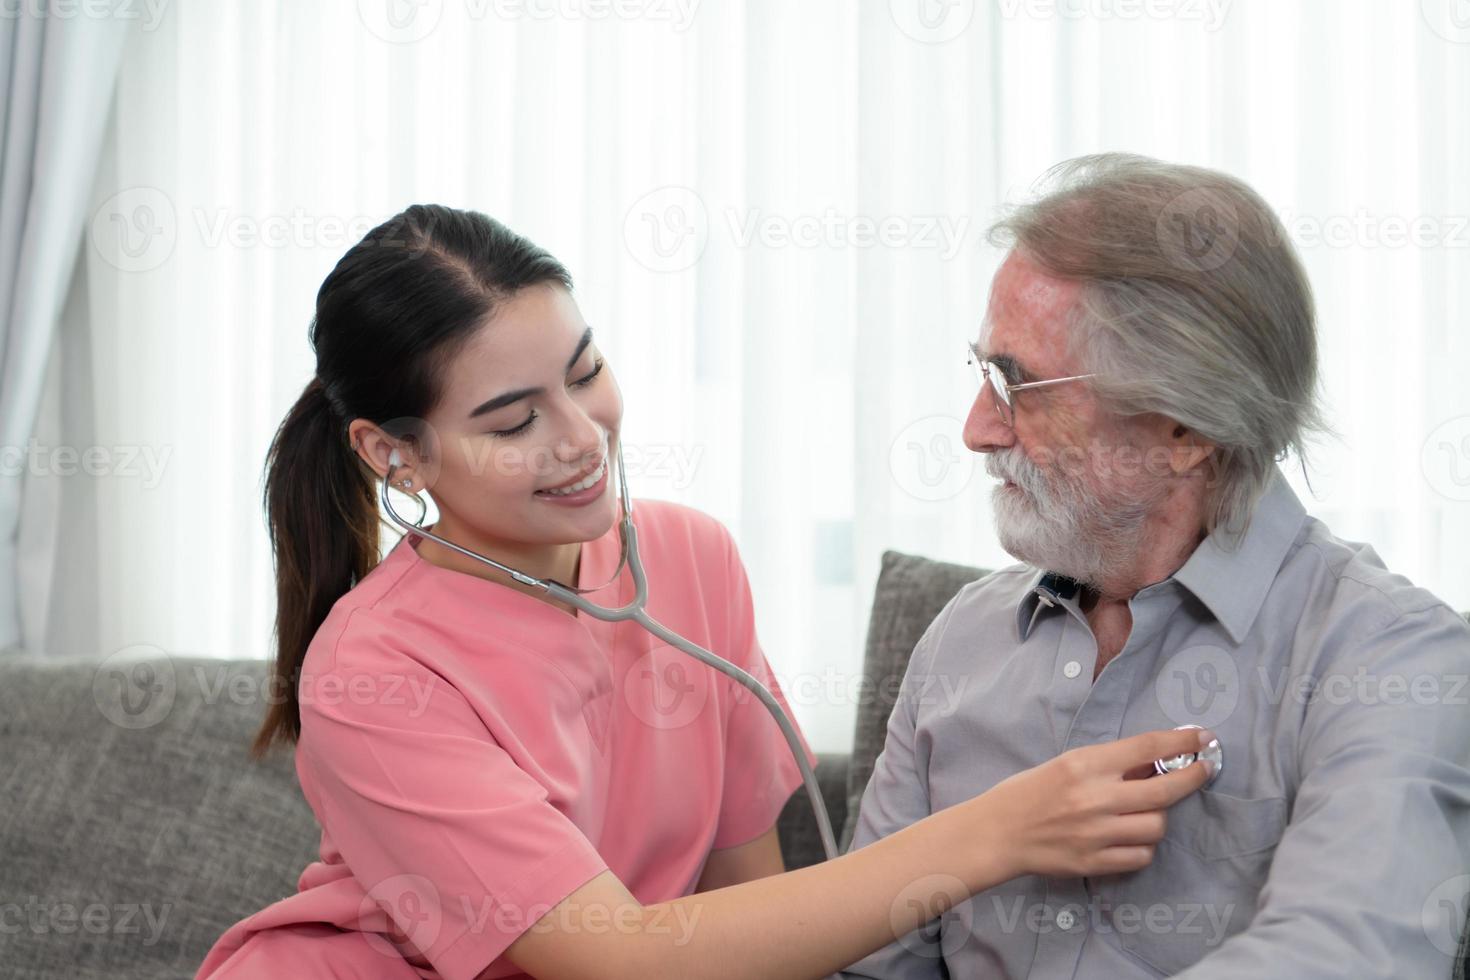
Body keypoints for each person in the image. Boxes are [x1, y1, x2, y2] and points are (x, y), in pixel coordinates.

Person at [195, 204, 1213, 980]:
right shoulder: (373, 670)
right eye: (512, 422)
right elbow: (616, 955)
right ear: (393, 454)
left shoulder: (689, 559)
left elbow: (750, 907)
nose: (582, 435)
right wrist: (1004, 827)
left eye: (585, 371)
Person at [838, 154, 1470, 979]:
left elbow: (1340, 956)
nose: (976, 430)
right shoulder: (960, 643)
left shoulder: (1395, 661)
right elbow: (866, 960)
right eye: (981, 370)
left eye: (1018, 384)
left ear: (1186, 430)